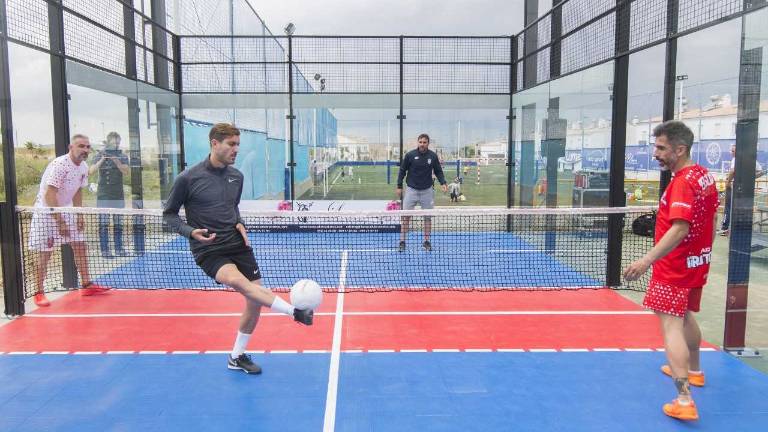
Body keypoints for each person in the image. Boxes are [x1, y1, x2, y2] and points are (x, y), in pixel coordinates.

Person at [163, 123, 313, 375]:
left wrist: (240, 223)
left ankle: (236, 356)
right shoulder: (187, 178)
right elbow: (168, 216)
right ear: (214, 143)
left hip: (237, 244)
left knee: (254, 301)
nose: (236, 150)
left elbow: (232, 208)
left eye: (238, 145)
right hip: (209, 250)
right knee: (244, 284)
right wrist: (191, 232)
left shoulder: (236, 177)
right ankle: (294, 312)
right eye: (231, 144)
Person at [624, 121, 719, 421]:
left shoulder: (681, 183)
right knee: (684, 315)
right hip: (696, 262)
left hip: (675, 266)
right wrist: (705, 252)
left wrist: (645, 261)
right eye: (656, 147)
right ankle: (695, 371)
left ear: (680, 149)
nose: (656, 154)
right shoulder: (704, 176)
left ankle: (684, 398)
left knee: (670, 326)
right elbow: (713, 216)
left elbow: (679, 228)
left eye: (662, 148)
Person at [29, 134, 112, 307]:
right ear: (70, 147)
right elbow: (49, 194)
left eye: (88, 147)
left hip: (67, 209)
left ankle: (87, 285)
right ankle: (38, 292)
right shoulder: (60, 165)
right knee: (46, 252)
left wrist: (78, 214)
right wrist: (60, 222)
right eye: (81, 146)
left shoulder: (82, 167)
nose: (85, 150)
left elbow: (78, 191)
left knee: (80, 245)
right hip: (46, 211)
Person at [396, 133, 448, 251]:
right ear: (417, 142)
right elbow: (402, 170)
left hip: (427, 191)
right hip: (411, 190)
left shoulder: (433, 156)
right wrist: (399, 185)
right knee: (405, 218)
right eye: (420, 142)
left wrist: (443, 183)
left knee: (427, 218)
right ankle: (402, 241)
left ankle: (426, 241)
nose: (422, 144)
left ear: (428, 143)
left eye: (424, 142)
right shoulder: (410, 155)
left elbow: (438, 171)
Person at [89, 132, 129, 258]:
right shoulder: (99, 155)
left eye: (118, 142)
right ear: (108, 142)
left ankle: (119, 248)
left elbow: (126, 171)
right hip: (103, 195)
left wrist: (117, 162)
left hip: (117, 194)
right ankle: (105, 250)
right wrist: (102, 159)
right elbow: (91, 171)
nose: (117, 145)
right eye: (114, 143)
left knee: (118, 223)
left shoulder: (122, 156)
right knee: (103, 224)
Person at [718, 144, 766, 236]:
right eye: (731, 151)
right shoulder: (751, 160)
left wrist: (728, 182)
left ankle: (725, 228)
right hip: (744, 188)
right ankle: (736, 229)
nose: (731, 153)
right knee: (740, 208)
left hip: (734, 187)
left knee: (728, 208)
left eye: (733, 151)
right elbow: (760, 172)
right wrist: (750, 177)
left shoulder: (736, 159)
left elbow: (732, 171)